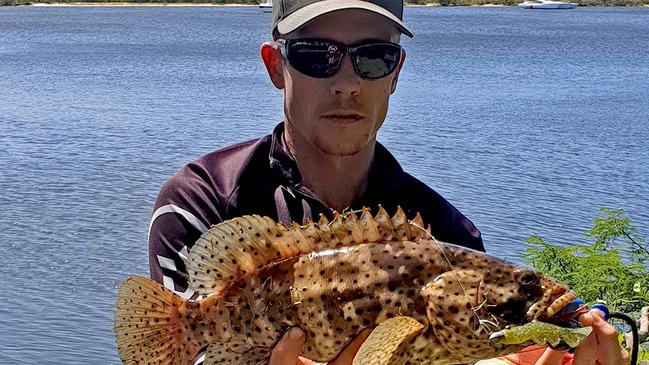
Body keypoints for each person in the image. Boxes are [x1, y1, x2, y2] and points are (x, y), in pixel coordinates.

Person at [147, 0, 628, 364]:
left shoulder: (448, 231)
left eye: (373, 57)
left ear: (395, 73)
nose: (347, 82)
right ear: (276, 66)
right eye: (317, 55)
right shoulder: (203, 199)